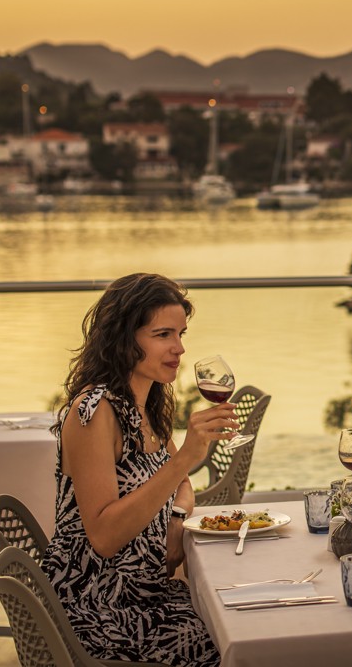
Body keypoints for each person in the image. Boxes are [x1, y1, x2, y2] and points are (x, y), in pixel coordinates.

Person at [41, 273, 235, 667]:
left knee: (234, 616)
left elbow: (182, 488)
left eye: (181, 334)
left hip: (146, 587)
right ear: (123, 338)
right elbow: (105, 536)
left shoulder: (146, 404)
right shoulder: (93, 413)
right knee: (222, 641)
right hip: (99, 604)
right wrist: (185, 459)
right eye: (163, 334)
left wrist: (177, 522)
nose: (179, 348)